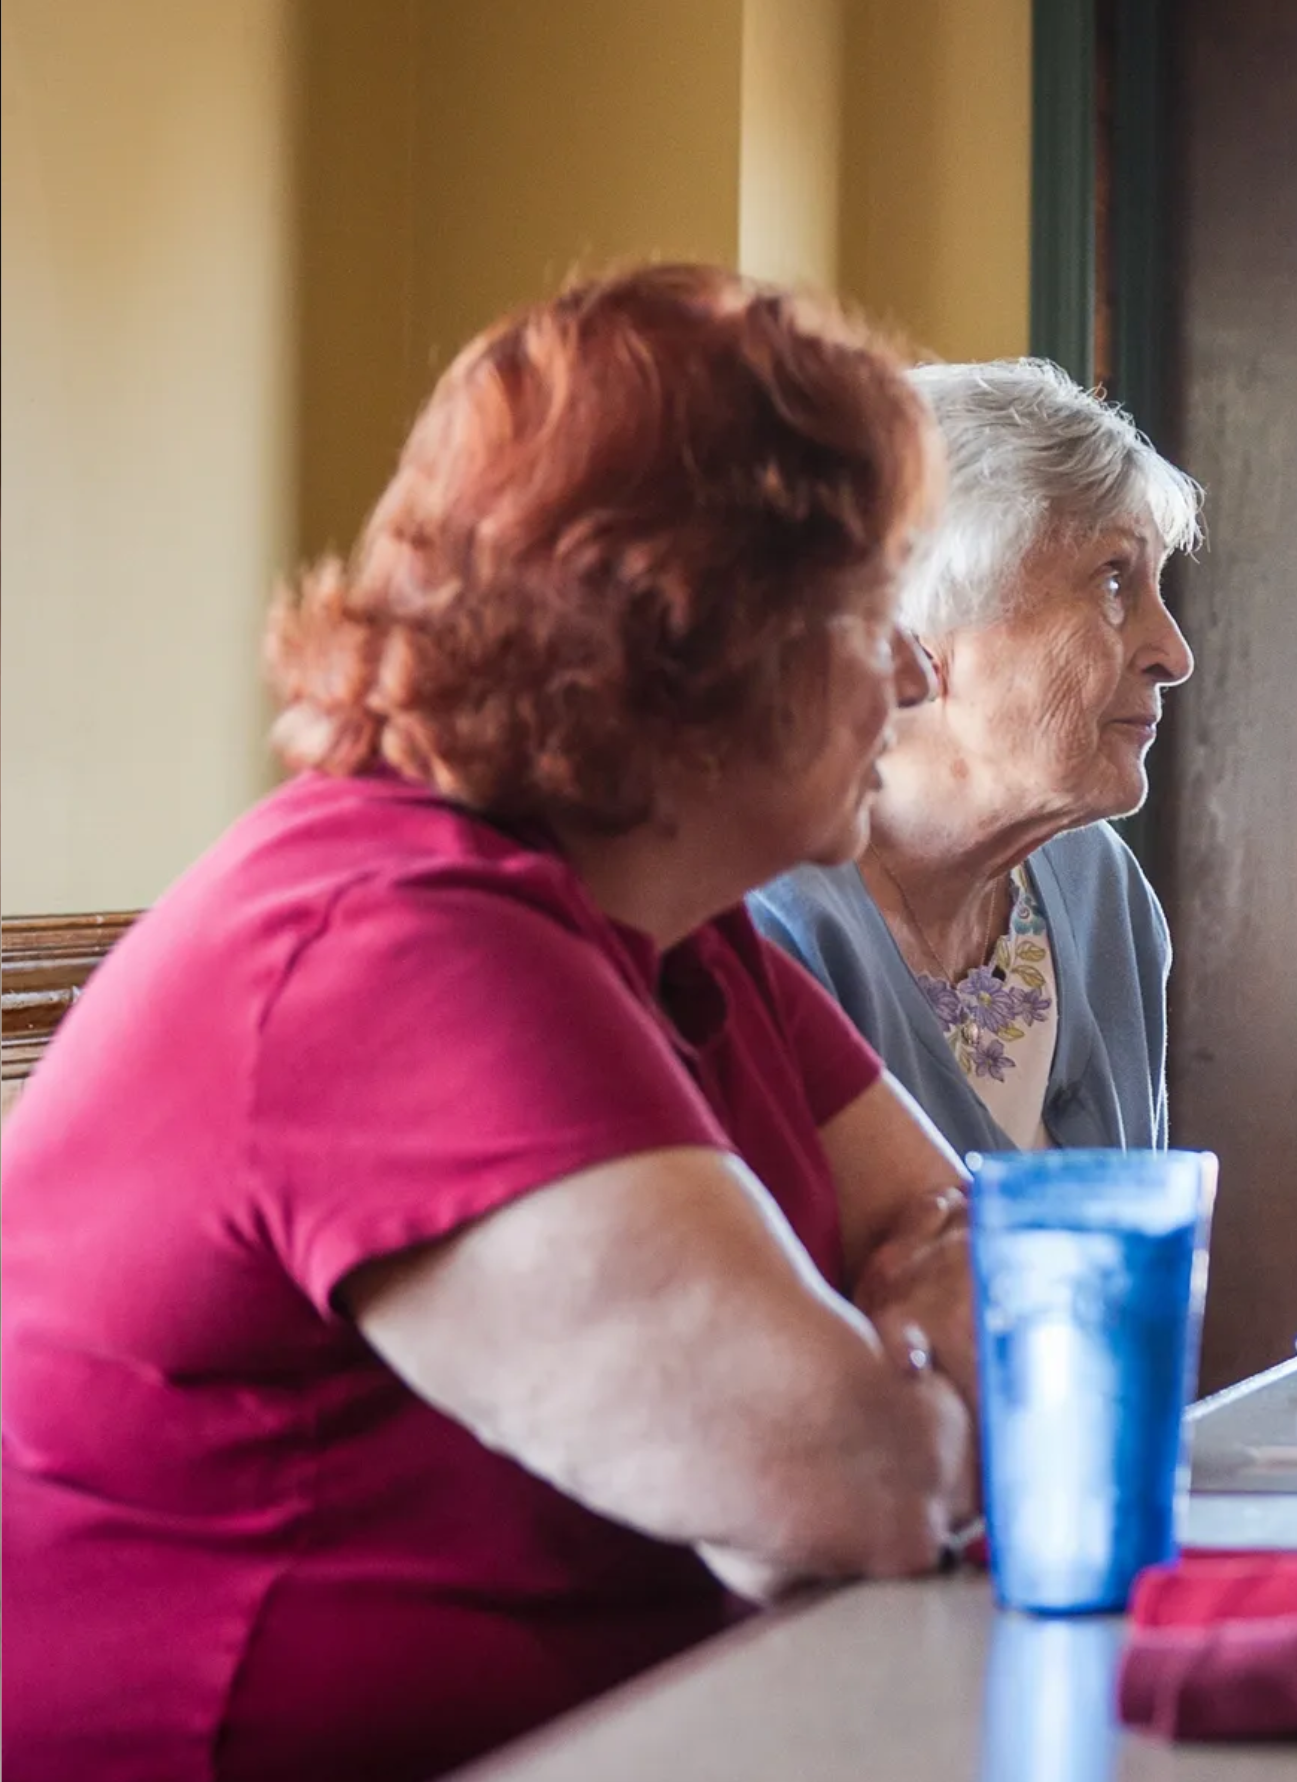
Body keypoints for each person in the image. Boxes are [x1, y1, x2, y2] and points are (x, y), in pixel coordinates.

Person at [1, 266, 976, 1781]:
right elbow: (855, 1480)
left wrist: (887, 1359)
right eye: (872, 611)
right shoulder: (392, 942)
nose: (915, 672)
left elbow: (959, 1232)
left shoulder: (674, 925)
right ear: (695, 637)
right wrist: (904, 1379)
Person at [751, 359, 1197, 1152]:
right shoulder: (772, 920)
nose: (1173, 652)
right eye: (1113, 582)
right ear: (924, 624)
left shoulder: (1103, 892)